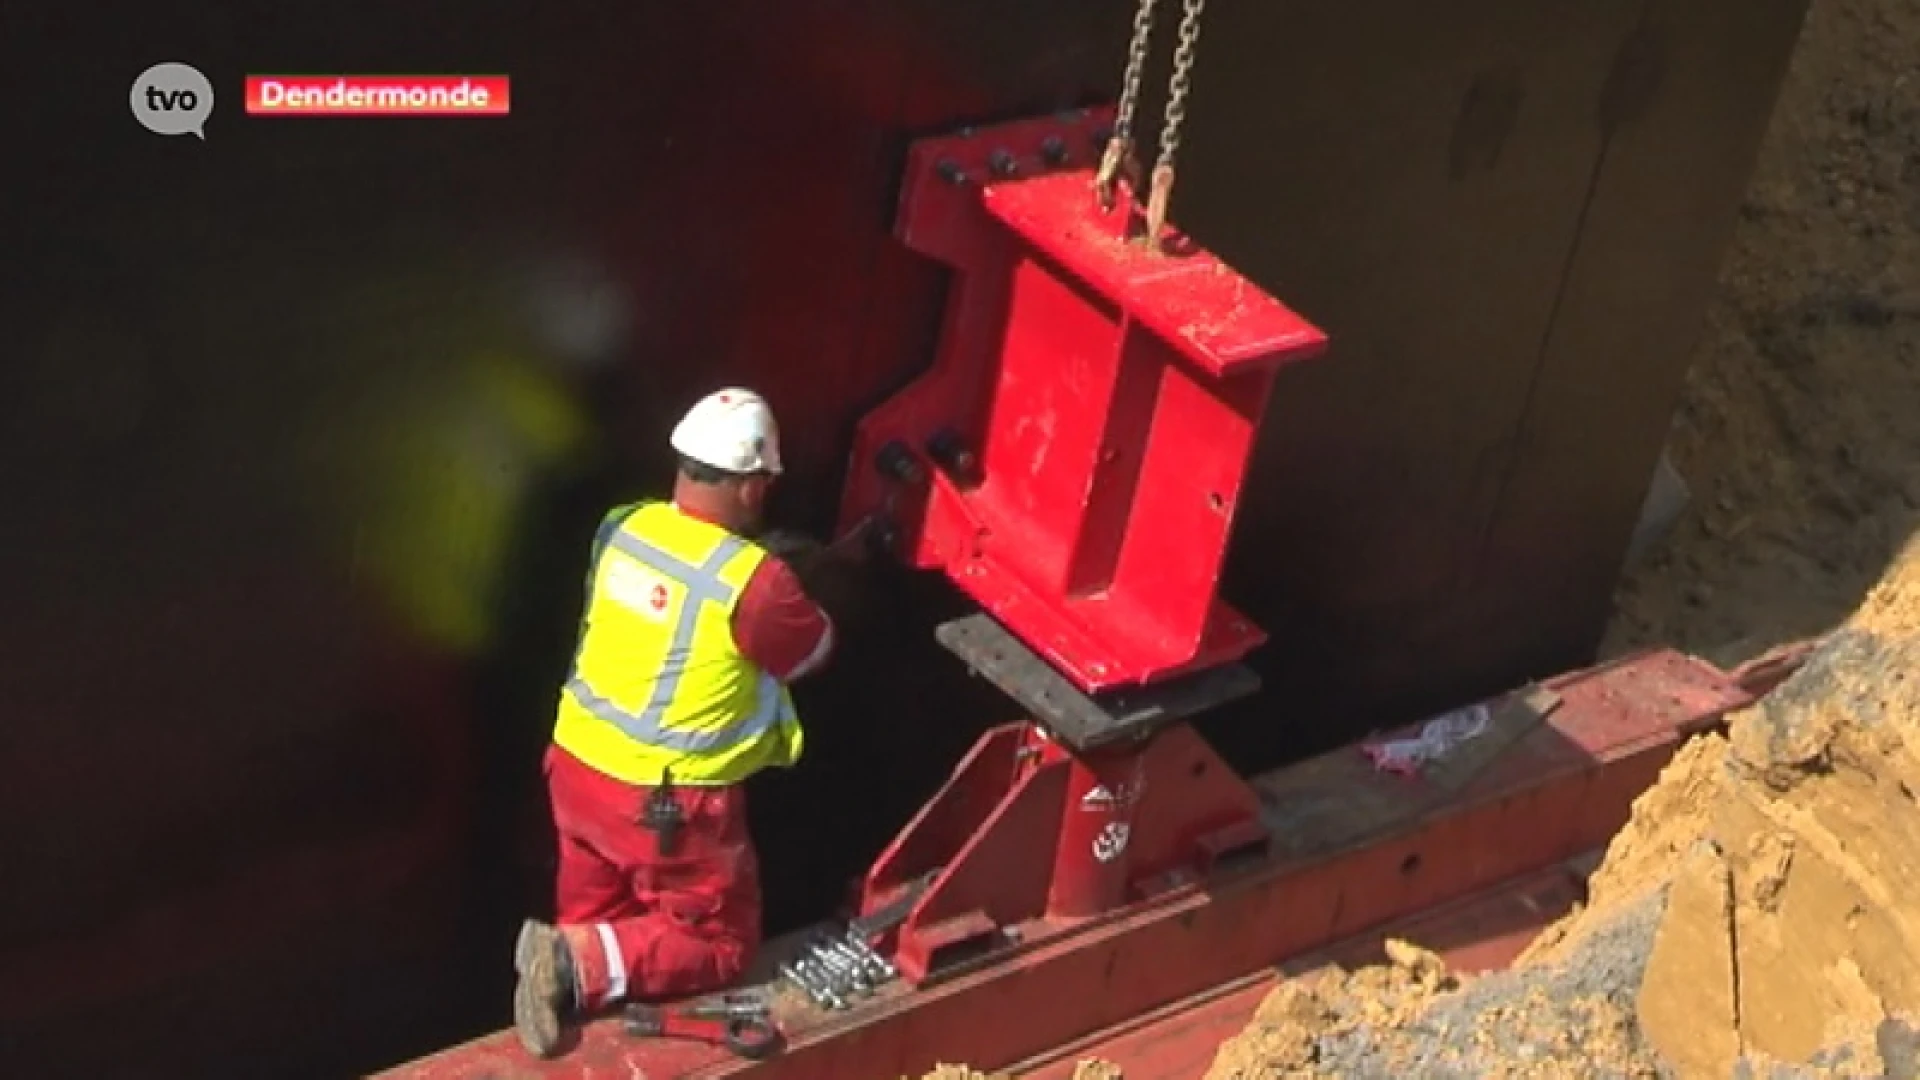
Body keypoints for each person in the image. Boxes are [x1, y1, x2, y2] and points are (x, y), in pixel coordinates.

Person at [511, 387, 859, 1057]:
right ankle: (570, 964)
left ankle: (566, 973)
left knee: (600, 917)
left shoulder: (621, 527)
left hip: (575, 770)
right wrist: (810, 582)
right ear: (756, 488)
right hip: (666, 805)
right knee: (717, 943)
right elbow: (812, 651)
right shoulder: (754, 583)